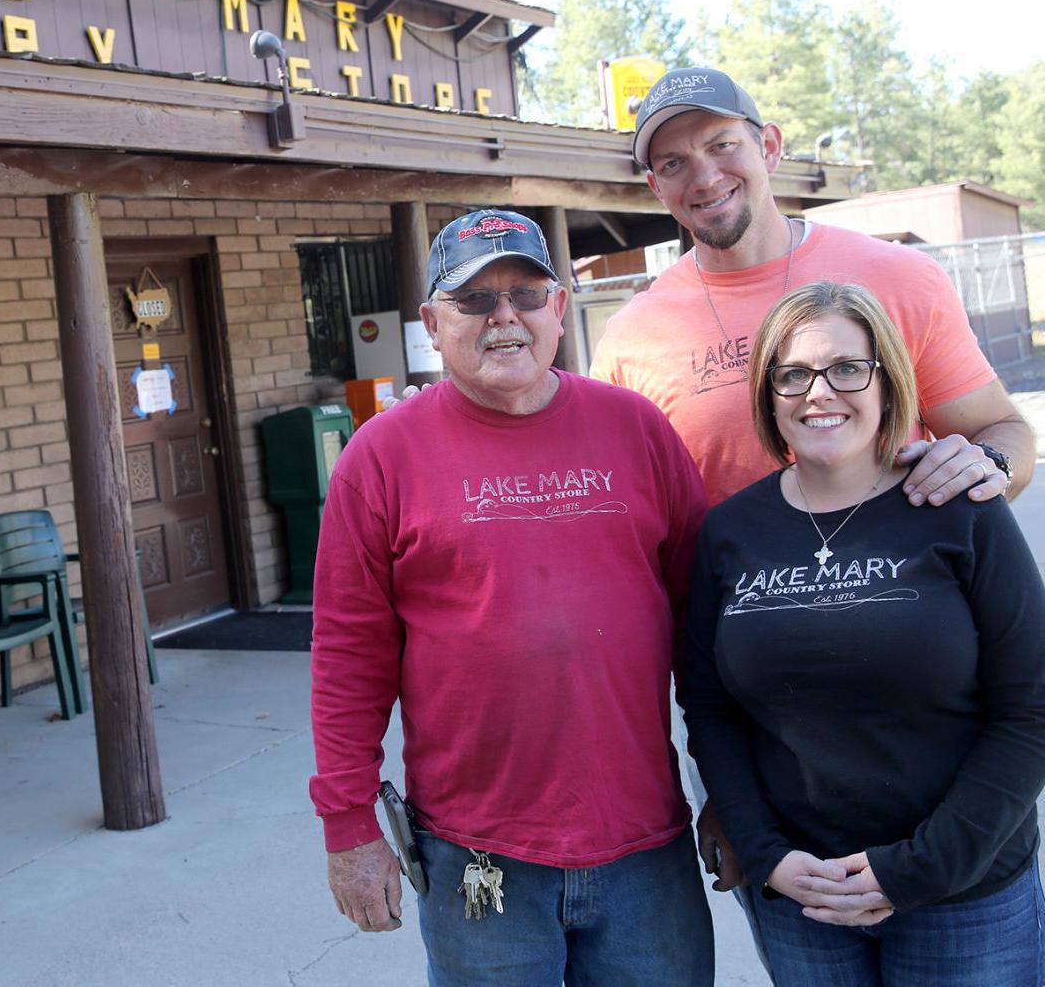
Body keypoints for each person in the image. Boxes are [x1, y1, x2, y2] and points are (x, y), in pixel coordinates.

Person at [590, 66, 1037, 894]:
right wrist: (729, 798)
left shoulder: (895, 279)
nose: (703, 174)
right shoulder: (631, 338)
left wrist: (984, 468)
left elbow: (1003, 431)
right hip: (762, 725)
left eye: (721, 144)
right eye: (673, 162)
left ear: (768, 145)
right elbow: (644, 554)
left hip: (922, 703)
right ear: (654, 186)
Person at [310, 208, 714, 985]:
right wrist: (348, 824)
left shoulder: (636, 430)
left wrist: (728, 789)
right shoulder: (380, 456)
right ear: (432, 323)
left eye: (525, 294)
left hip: (644, 848)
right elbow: (347, 658)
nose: (503, 316)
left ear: (558, 307)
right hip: (476, 855)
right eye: (473, 299)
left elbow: (706, 637)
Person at [682, 281, 1045, 986]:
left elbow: (1029, 708)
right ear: (768, 394)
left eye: (847, 368)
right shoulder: (729, 532)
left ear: (886, 381)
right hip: (804, 893)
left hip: (962, 894)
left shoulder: (960, 506)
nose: (819, 391)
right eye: (793, 373)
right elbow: (710, 707)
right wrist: (766, 855)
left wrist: (919, 868)